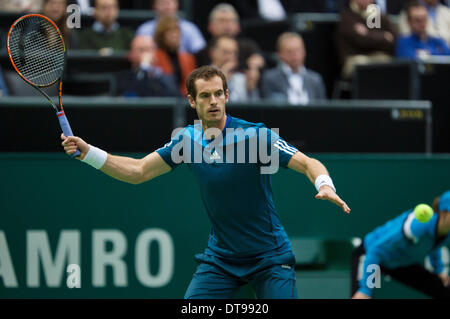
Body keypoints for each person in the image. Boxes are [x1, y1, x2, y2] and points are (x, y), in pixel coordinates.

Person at [61, 65, 351, 299]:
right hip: (221, 260)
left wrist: (324, 184)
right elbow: (139, 171)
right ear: (192, 101)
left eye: (218, 94)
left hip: (270, 258)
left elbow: (306, 162)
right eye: (204, 96)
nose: (213, 102)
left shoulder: (256, 136)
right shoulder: (186, 140)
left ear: (226, 95)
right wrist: (89, 154)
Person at [351, 190, 450, 299]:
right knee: (363, 295)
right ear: (444, 212)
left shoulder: (445, 232)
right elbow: (376, 251)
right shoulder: (418, 226)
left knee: (444, 290)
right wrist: (365, 290)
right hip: (371, 255)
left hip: (401, 264)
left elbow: (434, 247)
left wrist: (439, 271)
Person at [261, 32, 327, 104]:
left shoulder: (315, 79)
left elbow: (322, 109)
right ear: (280, 54)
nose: (294, 55)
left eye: (298, 50)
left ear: (304, 52)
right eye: (289, 51)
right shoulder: (270, 78)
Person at [337, 0, 397, 78]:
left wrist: (367, 34)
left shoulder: (377, 15)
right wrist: (383, 37)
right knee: (363, 64)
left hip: (378, 57)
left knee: (390, 63)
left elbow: (393, 38)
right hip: (354, 58)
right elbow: (360, 41)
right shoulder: (347, 16)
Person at [115, 35, 180, 97]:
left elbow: (174, 99)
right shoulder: (123, 77)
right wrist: (144, 67)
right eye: (141, 50)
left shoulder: (165, 77)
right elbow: (132, 95)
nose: (147, 54)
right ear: (131, 54)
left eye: (151, 49)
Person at [136, 0, 206, 54]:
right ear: (154, 6)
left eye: (169, 2)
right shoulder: (144, 29)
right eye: (162, 3)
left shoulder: (189, 28)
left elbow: (200, 51)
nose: (167, 7)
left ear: (177, 4)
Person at [152, 16, 197, 96]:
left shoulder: (188, 58)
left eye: (177, 31)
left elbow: (191, 84)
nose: (175, 35)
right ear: (161, 35)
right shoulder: (154, 57)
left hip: (185, 101)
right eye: (171, 32)